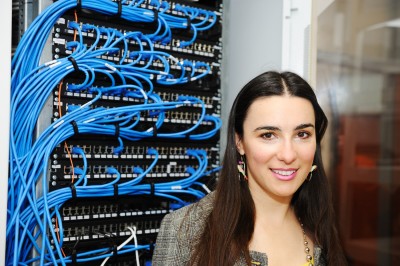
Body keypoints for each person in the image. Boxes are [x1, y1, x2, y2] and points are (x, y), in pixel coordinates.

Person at [152, 71, 347, 266]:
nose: (288, 155)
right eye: (268, 135)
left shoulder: (320, 223)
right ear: (240, 142)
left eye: (302, 134)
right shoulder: (184, 230)